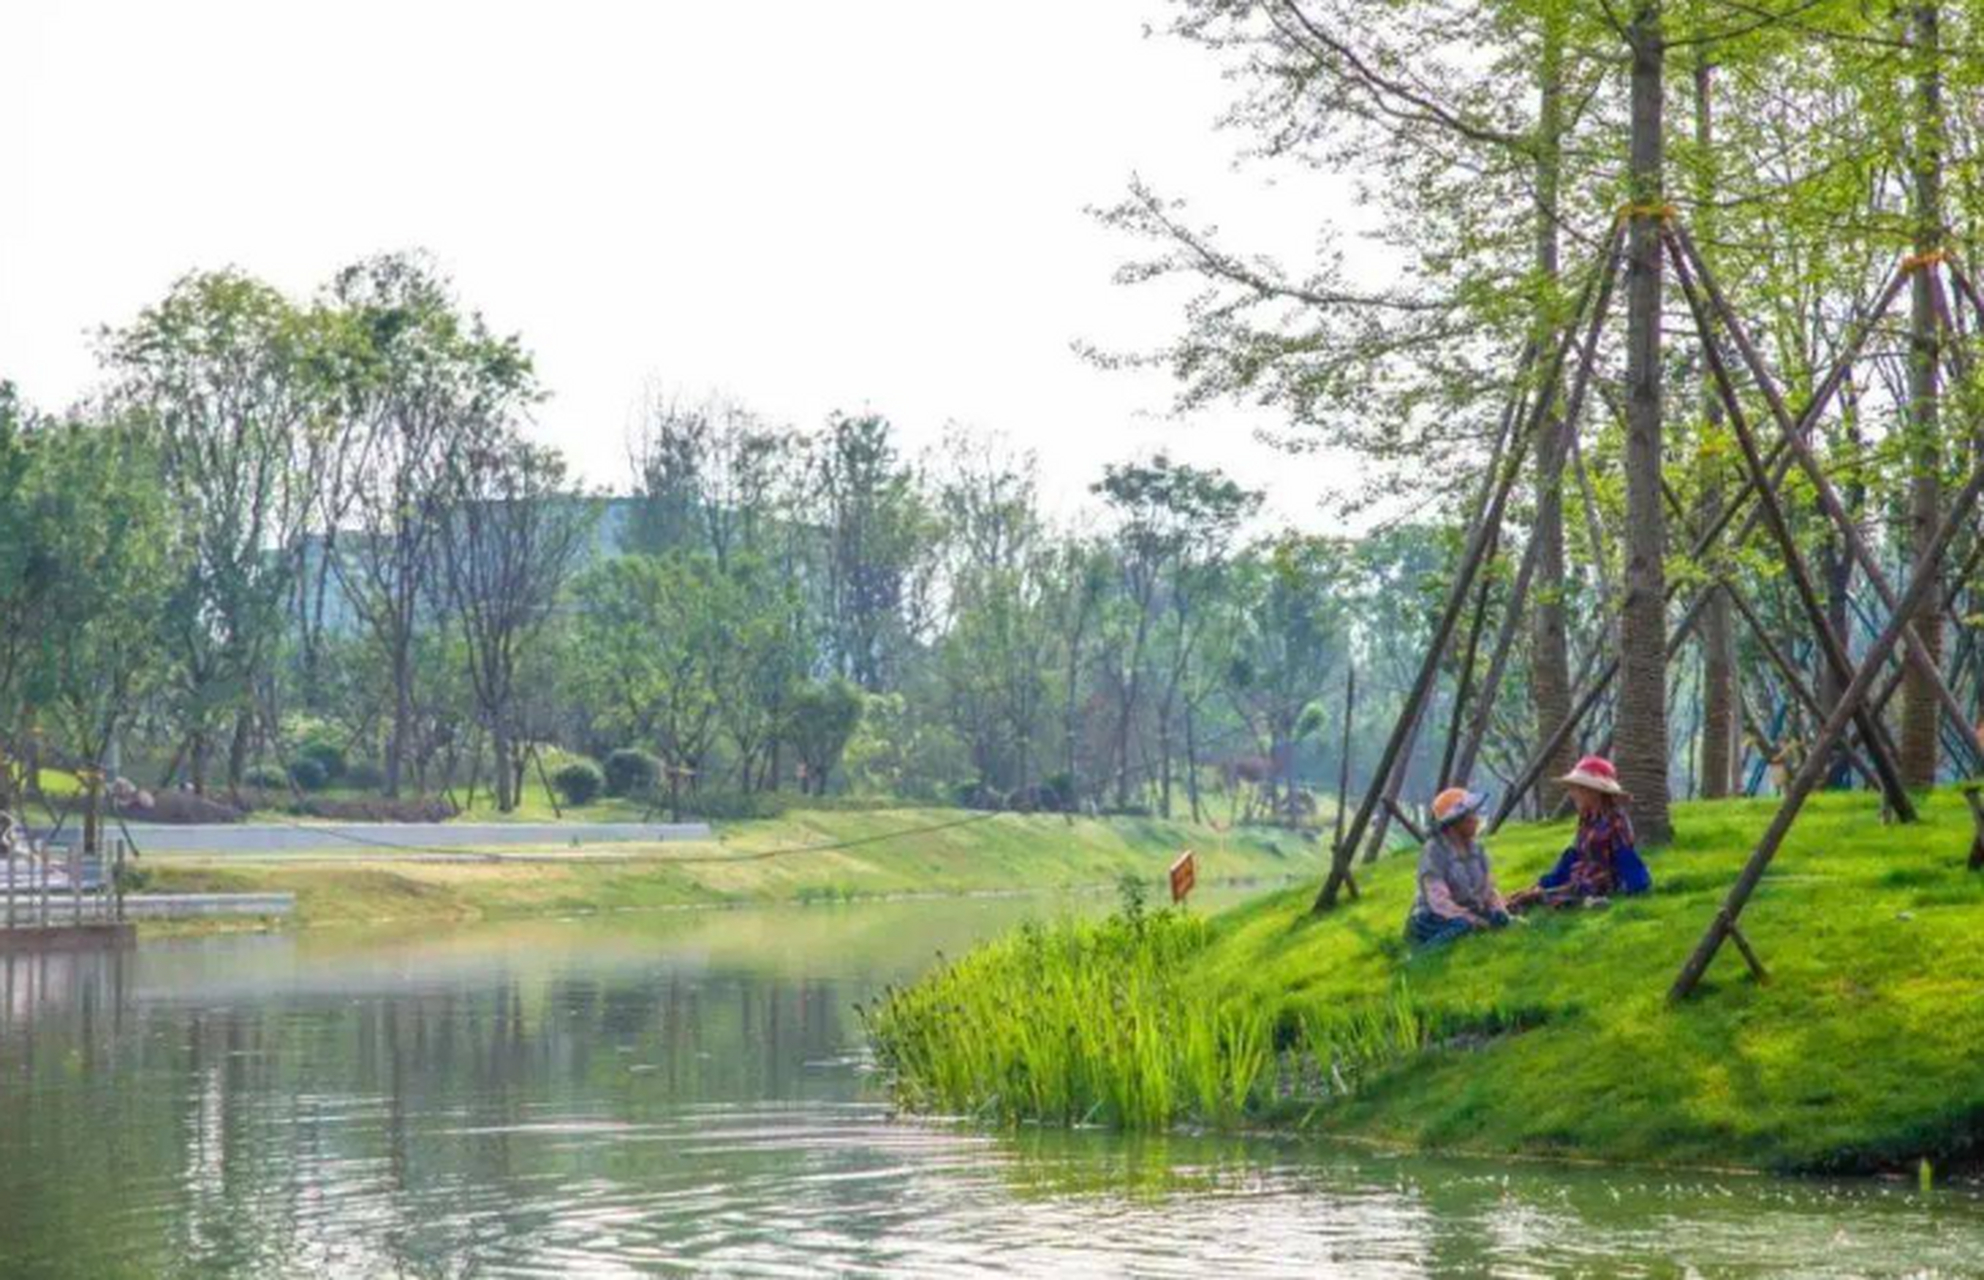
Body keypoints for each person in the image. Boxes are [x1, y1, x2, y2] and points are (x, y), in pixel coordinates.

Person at [1510, 755, 1652, 911]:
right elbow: (1574, 854)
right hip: (1578, 876)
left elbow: (1626, 856)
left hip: (1600, 881)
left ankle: (1589, 902)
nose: (1572, 794)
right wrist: (1547, 882)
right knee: (1523, 895)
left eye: (1577, 789)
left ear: (1593, 791)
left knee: (1537, 899)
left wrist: (1637, 886)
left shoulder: (1616, 820)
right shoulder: (1587, 817)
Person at [1404, 787, 1512, 949]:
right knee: (1461, 926)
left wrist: (1500, 912)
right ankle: (1421, 954)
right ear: (1455, 823)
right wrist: (1475, 920)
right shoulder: (1434, 851)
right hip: (1434, 917)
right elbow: (1439, 903)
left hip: (1469, 911)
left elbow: (1489, 890)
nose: (1476, 820)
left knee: (1500, 920)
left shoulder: (1478, 849)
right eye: (1470, 816)